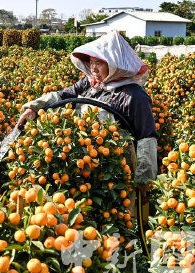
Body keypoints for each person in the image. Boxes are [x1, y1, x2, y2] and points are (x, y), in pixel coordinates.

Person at [15, 31, 158, 212]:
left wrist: (144, 180)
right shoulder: (90, 84)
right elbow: (62, 95)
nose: (93, 68)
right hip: (81, 163)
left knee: (116, 213)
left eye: (99, 63)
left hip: (115, 170)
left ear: (115, 64)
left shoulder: (133, 95)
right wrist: (34, 107)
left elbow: (147, 138)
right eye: (91, 62)